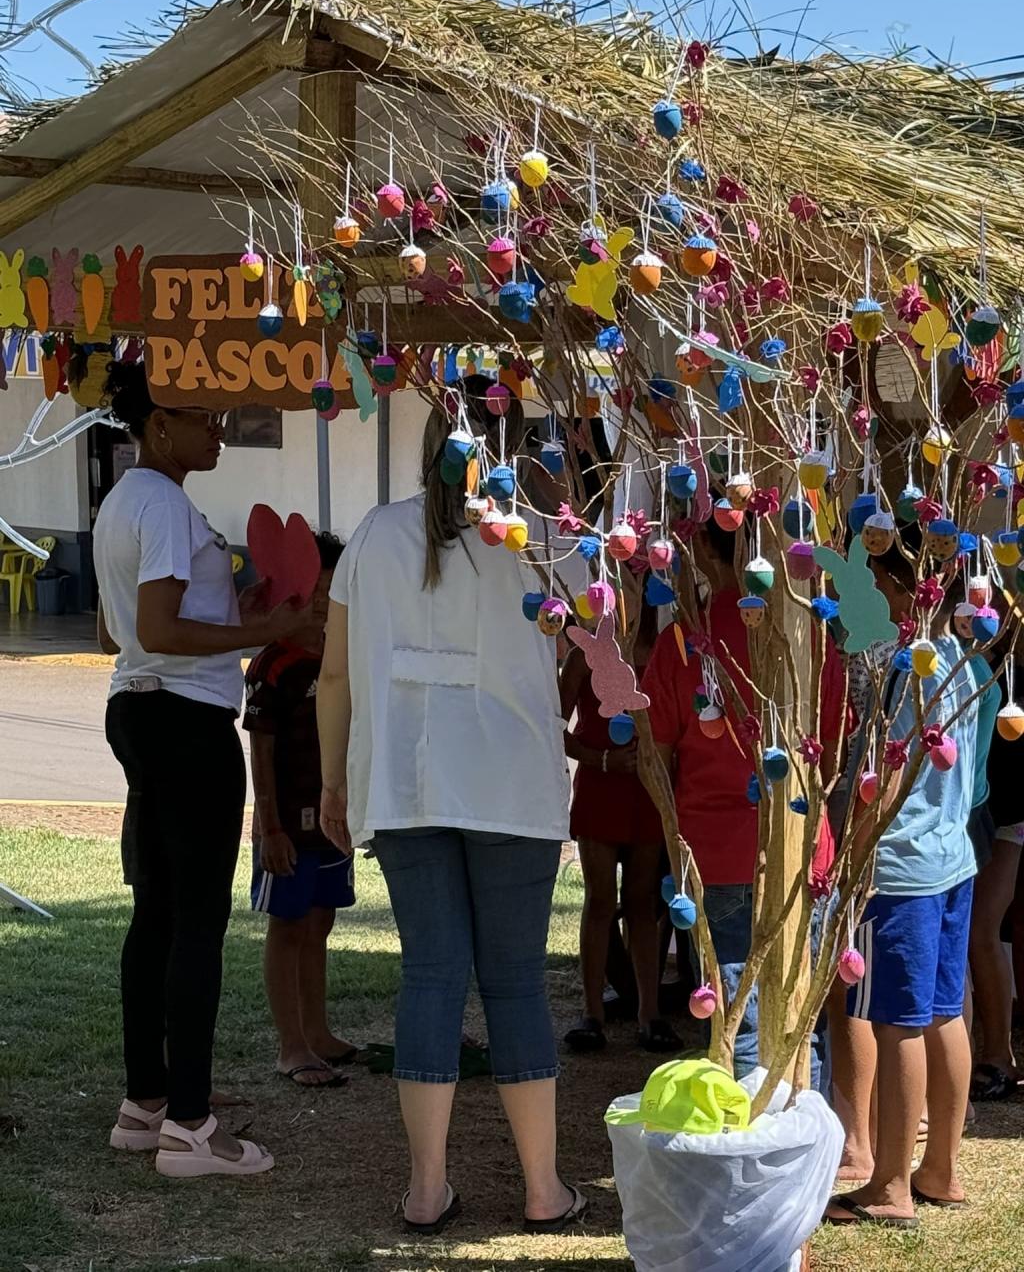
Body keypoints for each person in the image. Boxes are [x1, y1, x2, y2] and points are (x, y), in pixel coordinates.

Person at [316, 377, 585, 1236]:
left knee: (431, 973)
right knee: (515, 979)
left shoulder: (374, 534)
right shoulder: (545, 540)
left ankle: (426, 1188)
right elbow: (594, 635)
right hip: (511, 780)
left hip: (406, 782)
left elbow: (333, 674)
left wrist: (333, 781)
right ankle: (542, 1188)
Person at [95, 360, 308, 1179]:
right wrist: (260, 632)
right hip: (186, 721)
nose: (217, 428)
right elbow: (157, 629)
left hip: (140, 710)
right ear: (159, 426)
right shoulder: (164, 506)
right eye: (202, 416)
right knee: (195, 922)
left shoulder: (124, 501)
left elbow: (120, 634)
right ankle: (190, 1126)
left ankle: (146, 1102)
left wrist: (231, 615)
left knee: (156, 912)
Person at [642, 515, 845, 1081]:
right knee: (801, 1024)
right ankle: (798, 1131)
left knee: (739, 1022)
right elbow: (831, 753)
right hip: (803, 850)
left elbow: (654, 756)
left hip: (716, 855)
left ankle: (754, 1132)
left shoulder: (684, 640)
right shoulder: (809, 635)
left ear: (706, 550)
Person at [827, 544, 980, 1227]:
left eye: (874, 580)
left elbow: (883, 776)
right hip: (953, 857)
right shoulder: (961, 657)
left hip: (903, 867)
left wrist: (853, 859)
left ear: (900, 585)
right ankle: (939, 1167)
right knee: (944, 1013)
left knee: (897, 1022)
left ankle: (890, 1185)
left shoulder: (904, 666)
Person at [245, 531, 358, 1089]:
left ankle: (318, 1032)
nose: (321, 602)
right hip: (287, 822)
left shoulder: (346, 655)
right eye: (313, 590)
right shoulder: (273, 664)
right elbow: (261, 749)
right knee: (288, 925)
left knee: (321, 921)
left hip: (333, 821)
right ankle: (290, 1046)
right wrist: (270, 826)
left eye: (331, 591)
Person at [560, 589, 678, 1053]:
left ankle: (649, 1012)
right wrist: (600, 759)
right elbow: (554, 725)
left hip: (647, 792)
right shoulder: (583, 655)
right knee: (601, 900)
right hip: (600, 790)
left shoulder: (664, 650)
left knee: (643, 902)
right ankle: (592, 1012)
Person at [968, 636, 1021, 1101]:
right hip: (986, 812)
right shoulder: (988, 659)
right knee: (980, 931)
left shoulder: (999, 668)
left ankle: (999, 1055)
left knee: (982, 929)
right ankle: (989, 1054)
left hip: (1007, 814)